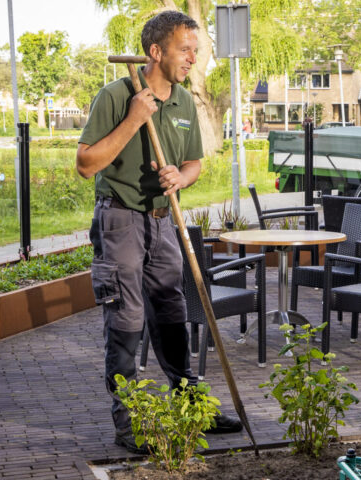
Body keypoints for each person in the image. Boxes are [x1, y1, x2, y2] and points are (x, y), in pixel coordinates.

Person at [75, 10, 242, 455]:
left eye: (195, 49)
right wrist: (134, 118)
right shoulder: (116, 96)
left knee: (171, 312)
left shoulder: (186, 101)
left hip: (163, 220)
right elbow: (86, 164)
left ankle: (191, 407)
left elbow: (194, 164)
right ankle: (130, 423)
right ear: (156, 51)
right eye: (185, 48)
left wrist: (180, 178)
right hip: (120, 219)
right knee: (126, 320)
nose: (193, 57)